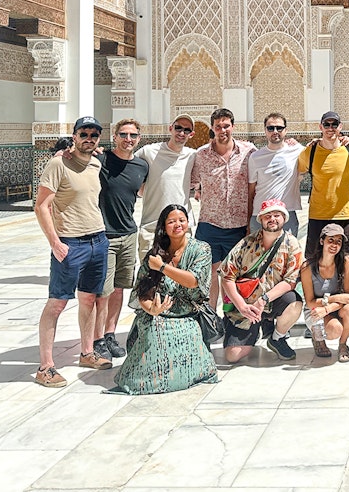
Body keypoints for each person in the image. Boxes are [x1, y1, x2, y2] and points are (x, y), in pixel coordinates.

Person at [33, 116, 111, 387]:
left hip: (98, 240)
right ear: (74, 136)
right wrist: (55, 242)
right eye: (84, 134)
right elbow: (41, 206)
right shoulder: (58, 163)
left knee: (89, 299)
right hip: (70, 243)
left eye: (94, 135)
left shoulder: (95, 163)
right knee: (57, 302)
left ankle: (87, 352)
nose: (89, 138)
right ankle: (46, 367)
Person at [111, 204, 218, 394]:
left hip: (188, 315)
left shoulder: (201, 249)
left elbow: (194, 281)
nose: (177, 225)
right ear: (163, 226)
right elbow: (142, 291)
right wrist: (151, 309)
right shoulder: (155, 255)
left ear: (187, 223)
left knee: (185, 335)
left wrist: (162, 267)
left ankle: (181, 377)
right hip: (157, 315)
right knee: (155, 331)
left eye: (181, 220)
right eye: (171, 221)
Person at [219, 199, 305, 362]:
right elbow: (227, 276)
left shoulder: (292, 244)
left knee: (295, 303)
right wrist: (242, 306)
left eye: (277, 215)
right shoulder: (247, 243)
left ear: (284, 219)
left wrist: (263, 300)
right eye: (268, 216)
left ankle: (277, 337)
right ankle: (255, 331)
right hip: (247, 304)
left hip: (271, 300)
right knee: (232, 356)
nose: (272, 219)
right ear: (261, 220)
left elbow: (290, 281)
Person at [93, 118, 149, 361]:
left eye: (133, 135)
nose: (128, 139)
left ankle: (110, 334)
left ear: (139, 139)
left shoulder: (141, 166)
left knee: (118, 289)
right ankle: (96, 339)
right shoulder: (101, 159)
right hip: (104, 235)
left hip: (128, 233)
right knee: (102, 291)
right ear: (114, 136)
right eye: (124, 134)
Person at [191, 108, 257, 307]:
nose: (223, 130)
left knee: (235, 275)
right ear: (212, 128)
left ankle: (232, 317)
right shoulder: (201, 155)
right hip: (209, 224)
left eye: (226, 126)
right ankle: (211, 316)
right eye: (218, 126)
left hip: (238, 226)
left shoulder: (248, 151)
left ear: (233, 127)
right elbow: (192, 181)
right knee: (210, 274)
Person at [299, 111, 349, 259]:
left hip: (343, 214)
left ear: (340, 127)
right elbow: (297, 175)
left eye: (334, 125)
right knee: (315, 260)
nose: (330, 128)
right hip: (318, 214)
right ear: (321, 127)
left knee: (345, 260)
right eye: (327, 124)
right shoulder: (310, 151)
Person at [136, 114, 198, 261]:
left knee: (179, 277)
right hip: (152, 228)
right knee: (148, 278)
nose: (181, 133)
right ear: (171, 128)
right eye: (178, 128)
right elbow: (126, 163)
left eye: (187, 130)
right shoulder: (149, 152)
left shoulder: (193, 156)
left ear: (191, 134)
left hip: (181, 229)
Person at [300, 223, 349, 362]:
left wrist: (328, 307)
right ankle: (317, 337)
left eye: (338, 241)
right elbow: (310, 302)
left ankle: (343, 344)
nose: (334, 245)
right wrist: (336, 298)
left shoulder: (346, 262)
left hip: (333, 307)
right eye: (330, 240)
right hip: (315, 310)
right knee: (334, 330)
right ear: (322, 241)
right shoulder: (307, 267)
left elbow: (348, 298)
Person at [247, 113, 303, 236]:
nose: (275, 131)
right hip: (260, 215)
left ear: (286, 130)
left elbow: (318, 146)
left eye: (279, 128)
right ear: (265, 131)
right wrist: (248, 220)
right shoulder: (255, 157)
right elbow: (251, 192)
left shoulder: (297, 151)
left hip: (286, 214)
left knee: (286, 254)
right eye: (270, 128)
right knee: (259, 254)